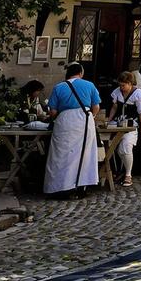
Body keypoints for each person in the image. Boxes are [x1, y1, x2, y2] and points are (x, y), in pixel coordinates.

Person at [44, 62, 100, 197]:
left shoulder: (59, 87)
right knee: (84, 155)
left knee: (60, 154)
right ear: (80, 73)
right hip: (84, 119)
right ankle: (81, 187)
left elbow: (53, 111)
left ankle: (59, 187)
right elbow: (96, 106)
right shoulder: (89, 85)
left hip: (64, 120)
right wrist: (92, 116)